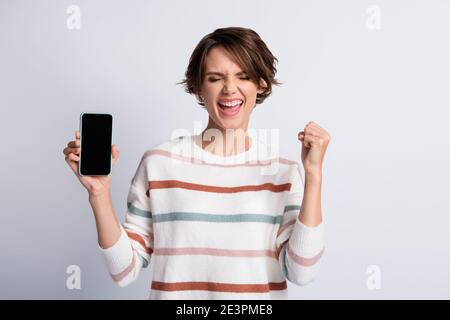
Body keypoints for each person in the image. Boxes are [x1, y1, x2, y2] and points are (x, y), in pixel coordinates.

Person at [63, 27, 331, 299]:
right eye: (215, 78)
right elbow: (124, 271)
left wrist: (314, 175)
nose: (229, 88)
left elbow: (301, 272)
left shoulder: (283, 173)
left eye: (243, 76)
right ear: (198, 86)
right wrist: (99, 194)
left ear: (260, 83)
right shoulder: (159, 163)